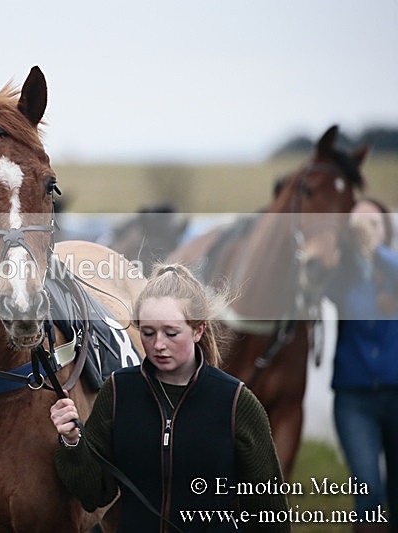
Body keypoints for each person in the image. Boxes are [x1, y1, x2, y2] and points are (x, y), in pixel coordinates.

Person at [50, 263, 289, 532]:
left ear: (198, 330)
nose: (158, 345)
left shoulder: (236, 402)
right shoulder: (117, 392)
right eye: (148, 333)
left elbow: (269, 514)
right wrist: (72, 442)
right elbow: (95, 494)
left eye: (171, 333)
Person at [327, 198, 398, 532]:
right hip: (354, 400)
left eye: (374, 224)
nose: (365, 231)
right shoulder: (342, 278)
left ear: (387, 229)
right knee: (369, 491)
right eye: (357, 225)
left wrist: (375, 251)